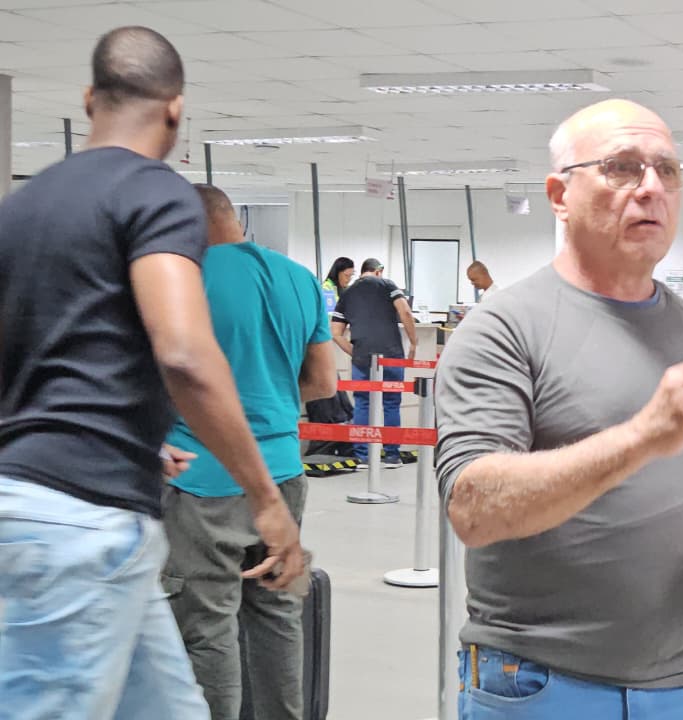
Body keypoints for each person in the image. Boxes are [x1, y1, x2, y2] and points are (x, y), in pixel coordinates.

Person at [434, 98, 683, 720]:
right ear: (560, 195)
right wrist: (643, 437)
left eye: (667, 169)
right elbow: (473, 509)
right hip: (539, 680)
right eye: (622, 167)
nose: (651, 187)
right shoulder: (503, 328)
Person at [0, 26, 303, 720]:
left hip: (51, 507)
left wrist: (132, 434)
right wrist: (265, 499)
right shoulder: (156, 194)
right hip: (83, 524)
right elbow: (184, 353)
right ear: (175, 110)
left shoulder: (21, 209)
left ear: (89, 100)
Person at [162, 185, 336, 720]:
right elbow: (324, 382)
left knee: (207, 627)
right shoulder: (300, 278)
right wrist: (269, 403)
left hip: (203, 478)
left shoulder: (181, 281)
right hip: (283, 474)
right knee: (277, 615)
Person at [330, 258, 418, 468]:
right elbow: (405, 312)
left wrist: (355, 352)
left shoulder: (347, 293)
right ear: (378, 271)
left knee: (362, 403)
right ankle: (392, 455)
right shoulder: (387, 285)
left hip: (362, 357)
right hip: (391, 354)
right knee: (391, 403)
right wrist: (414, 342)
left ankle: (362, 456)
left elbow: (336, 333)